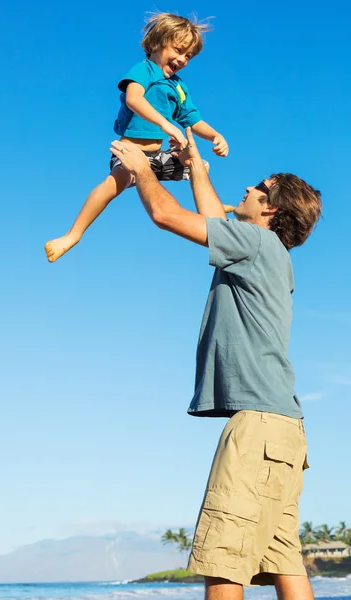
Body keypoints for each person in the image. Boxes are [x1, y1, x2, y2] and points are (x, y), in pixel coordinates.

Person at [110, 128, 322, 600]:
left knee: (224, 561)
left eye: (258, 188)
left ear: (271, 209)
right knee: (283, 560)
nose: (247, 189)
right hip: (286, 432)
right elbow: (211, 217)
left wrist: (143, 171)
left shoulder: (255, 246)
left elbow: (166, 216)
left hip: (260, 429)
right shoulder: (267, 251)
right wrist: (197, 169)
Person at [44, 13, 229, 263]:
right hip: (131, 153)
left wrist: (215, 135)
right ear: (156, 43)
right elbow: (134, 99)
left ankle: (219, 213)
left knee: (200, 166)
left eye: (188, 56)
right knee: (113, 184)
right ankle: (72, 235)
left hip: (158, 158)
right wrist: (166, 124)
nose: (183, 59)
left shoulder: (179, 87)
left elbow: (193, 120)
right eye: (179, 50)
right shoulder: (145, 70)